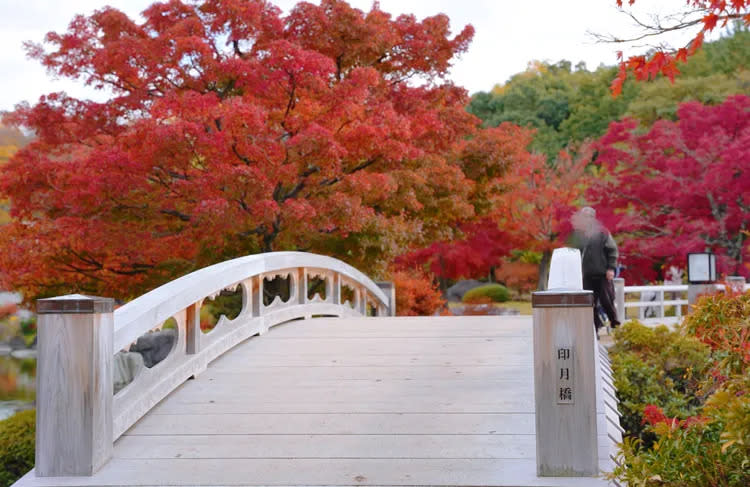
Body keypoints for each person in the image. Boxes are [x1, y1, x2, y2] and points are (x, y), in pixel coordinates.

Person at [570, 207, 620, 332]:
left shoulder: (603, 232)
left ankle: (615, 322)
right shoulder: (578, 234)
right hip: (586, 274)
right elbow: (573, 252)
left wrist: (611, 268)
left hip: (602, 273)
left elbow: (612, 250)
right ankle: (595, 328)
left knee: (606, 300)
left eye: (588, 217)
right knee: (588, 303)